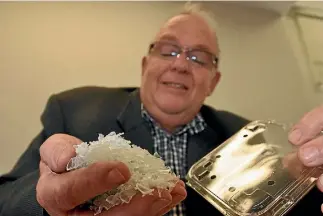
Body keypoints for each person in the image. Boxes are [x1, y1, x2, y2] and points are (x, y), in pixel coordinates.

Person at [0, 2, 323, 216]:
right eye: (168, 51)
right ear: (145, 65)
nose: (181, 64)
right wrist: (44, 202)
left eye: (198, 57)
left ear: (213, 81)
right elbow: (7, 196)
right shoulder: (74, 109)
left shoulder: (248, 139)